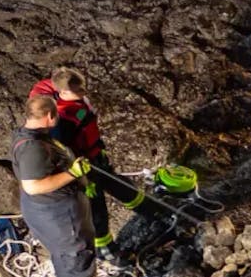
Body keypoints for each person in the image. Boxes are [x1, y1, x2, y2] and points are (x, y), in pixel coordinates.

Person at [29, 68, 159, 265]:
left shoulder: (76, 100)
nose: (83, 93)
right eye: (78, 91)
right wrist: (79, 174)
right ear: (62, 93)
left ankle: (152, 210)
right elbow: (61, 152)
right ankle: (105, 250)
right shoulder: (59, 119)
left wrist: (99, 152)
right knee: (96, 209)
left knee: (120, 185)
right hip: (84, 168)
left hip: (96, 156)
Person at [10, 95, 112, 277]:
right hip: (57, 214)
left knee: (66, 258)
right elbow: (33, 186)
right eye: (56, 114)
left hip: (51, 210)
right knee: (76, 257)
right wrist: (72, 174)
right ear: (49, 116)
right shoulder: (32, 148)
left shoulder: (27, 135)